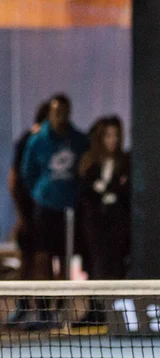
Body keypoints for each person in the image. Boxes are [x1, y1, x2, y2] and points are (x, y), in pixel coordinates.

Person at [21, 94, 88, 329]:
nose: (59, 115)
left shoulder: (79, 140)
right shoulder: (37, 140)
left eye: (64, 110)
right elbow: (27, 173)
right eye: (55, 110)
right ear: (50, 112)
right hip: (44, 208)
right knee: (42, 257)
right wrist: (41, 194)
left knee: (65, 258)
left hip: (68, 209)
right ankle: (42, 308)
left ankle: (61, 307)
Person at [76, 116, 130, 326]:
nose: (113, 140)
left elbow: (123, 191)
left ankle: (114, 314)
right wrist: (106, 190)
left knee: (115, 269)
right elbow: (85, 192)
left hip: (117, 226)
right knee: (95, 268)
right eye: (109, 135)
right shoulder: (89, 162)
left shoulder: (126, 162)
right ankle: (95, 311)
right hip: (94, 226)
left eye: (116, 135)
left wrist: (109, 190)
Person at [7, 101, 49, 325]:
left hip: (49, 215)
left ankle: (45, 310)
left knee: (45, 262)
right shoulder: (27, 141)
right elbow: (13, 180)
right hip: (28, 213)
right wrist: (21, 215)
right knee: (28, 262)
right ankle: (22, 306)